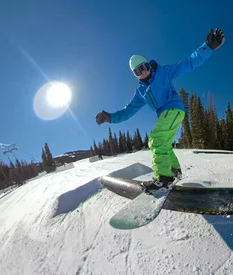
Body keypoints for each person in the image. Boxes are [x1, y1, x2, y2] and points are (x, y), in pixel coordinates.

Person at [95, 28, 225, 193]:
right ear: (135, 75)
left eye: (144, 67)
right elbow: (127, 112)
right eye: (138, 72)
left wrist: (208, 47)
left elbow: (187, 63)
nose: (143, 72)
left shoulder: (163, 72)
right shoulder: (141, 93)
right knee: (162, 144)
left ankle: (163, 179)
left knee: (156, 139)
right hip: (166, 114)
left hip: (173, 109)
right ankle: (174, 170)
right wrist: (109, 118)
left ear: (148, 65)